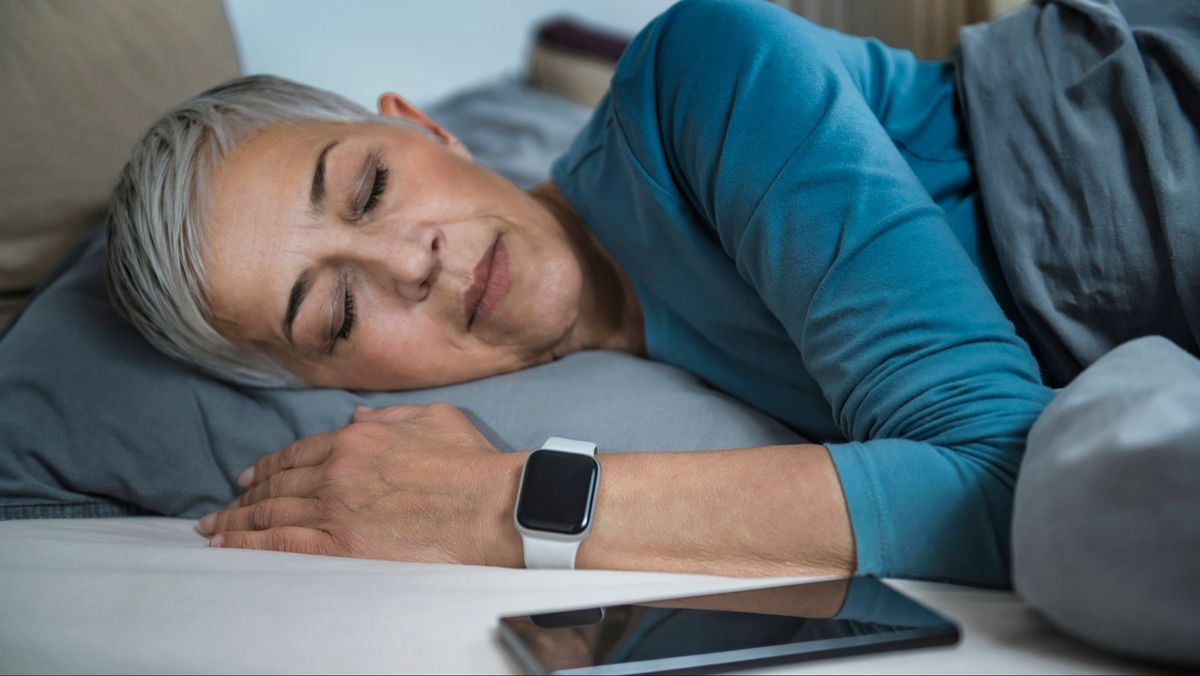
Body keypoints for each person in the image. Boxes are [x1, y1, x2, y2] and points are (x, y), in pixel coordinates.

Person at [105, 0, 1192, 586]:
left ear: (420, 124)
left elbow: (1006, 475)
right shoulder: (642, 380)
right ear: (318, 388)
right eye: (336, 314)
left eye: (370, 186)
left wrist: (497, 504)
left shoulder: (700, 68)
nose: (408, 260)